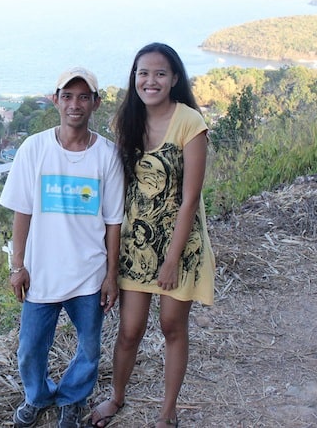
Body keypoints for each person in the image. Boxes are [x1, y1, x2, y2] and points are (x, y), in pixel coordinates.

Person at [91, 43, 215, 428]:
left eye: (160, 73)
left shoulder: (189, 122)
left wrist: (172, 258)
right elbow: (117, 190)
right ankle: (117, 398)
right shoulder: (126, 122)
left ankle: (167, 412)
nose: (151, 81)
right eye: (143, 73)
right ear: (134, 78)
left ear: (174, 78)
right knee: (129, 331)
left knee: (171, 327)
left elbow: (190, 197)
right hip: (136, 245)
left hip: (180, 244)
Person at [0, 66, 125, 428]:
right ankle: (37, 397)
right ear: (55, 100)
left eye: (84, 96)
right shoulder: (34, 149)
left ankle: (73, 398)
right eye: (67, 96)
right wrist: (17, 266)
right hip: (41, 274)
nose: (75, 104)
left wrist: (111, 275)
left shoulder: (107, 156)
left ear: (96, 103)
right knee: (30, 350)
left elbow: (113, 221)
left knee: (89, 348)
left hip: (88, 274)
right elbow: (22, 211)